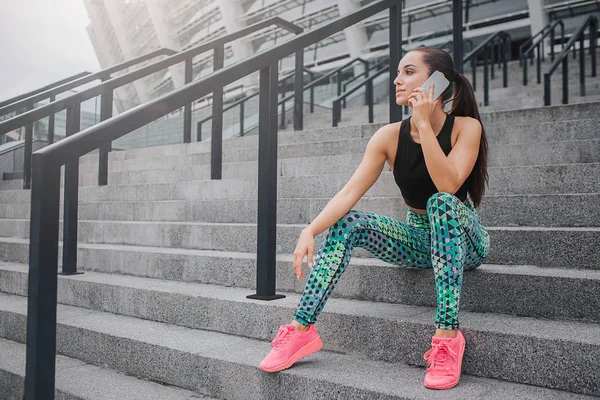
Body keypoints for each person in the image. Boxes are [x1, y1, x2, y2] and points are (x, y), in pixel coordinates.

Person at [259, 46, 490, 390]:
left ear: (438, 83)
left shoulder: (466, 128)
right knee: (350, 222)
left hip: (464, 239)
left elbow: (448, 184)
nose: (397, 80)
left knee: (441, 202)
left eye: (409, 72)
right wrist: (310, 230)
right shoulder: (387, 137)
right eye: (397, 72)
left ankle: (447, 337)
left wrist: (425, 125)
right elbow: (350, 192)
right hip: (418, 241)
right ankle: (301, 329)